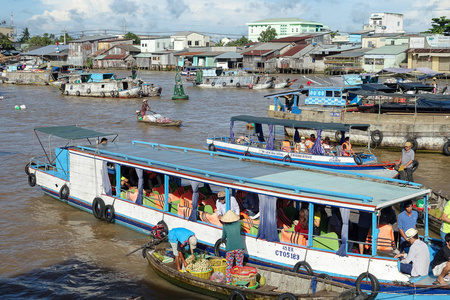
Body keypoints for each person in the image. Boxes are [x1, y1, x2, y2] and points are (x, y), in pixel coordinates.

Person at [221, 210, 245, 284]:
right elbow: (239, 232)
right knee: (239, 265)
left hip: (230, 249)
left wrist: (222, 240)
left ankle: (228, 281)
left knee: (229, 265)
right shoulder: (238, 224)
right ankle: (240, 280)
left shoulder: (225, 226)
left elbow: (223, 237)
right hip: (239, 248)